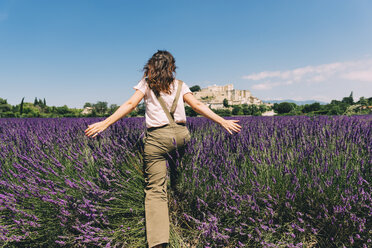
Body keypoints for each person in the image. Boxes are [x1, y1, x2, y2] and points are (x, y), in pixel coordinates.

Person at [84, 50, 241, 248]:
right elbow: (197, 105)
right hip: (182, 136)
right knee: (179, 173)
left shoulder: (147, 83)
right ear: (172, 68)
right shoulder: (181, 85)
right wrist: (222, 121)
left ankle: (159, 242)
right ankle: (183, 208)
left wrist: (104, 123)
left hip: (158, 138)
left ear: (151, 67)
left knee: (155, 190)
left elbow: (132, 103)